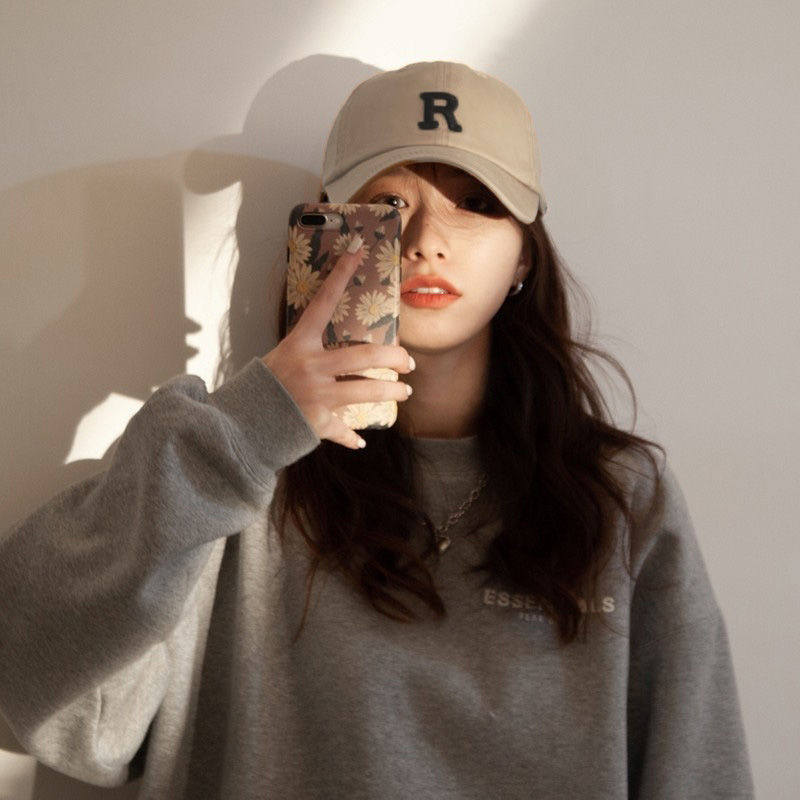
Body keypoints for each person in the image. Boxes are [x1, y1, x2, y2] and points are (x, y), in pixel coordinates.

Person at [0, 61, 754, 799]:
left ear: (524, 253)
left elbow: (700, 771)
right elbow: (35, 693)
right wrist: (248, 430)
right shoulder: (227, 469)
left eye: (476, 202)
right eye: (388, 202)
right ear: (325, 230)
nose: (426, 238)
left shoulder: (619, 495)